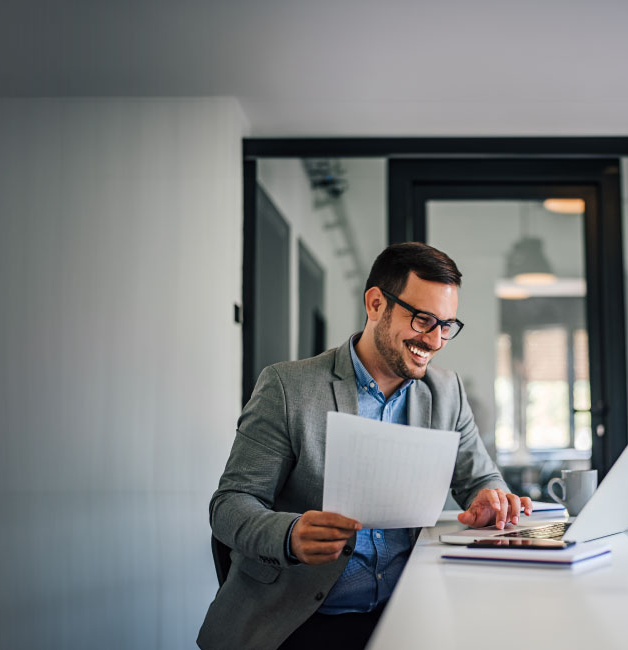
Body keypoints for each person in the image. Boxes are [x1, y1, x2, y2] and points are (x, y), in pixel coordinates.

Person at [198, 242, 531, 650]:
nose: (437, 340)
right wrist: (289, 534)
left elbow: (479, 475)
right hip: (299, 619)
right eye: (424, 320)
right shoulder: (287, 387)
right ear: (376, 304)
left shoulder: (447, 391)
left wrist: (488, 497)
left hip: (404, 611)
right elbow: (230, 504)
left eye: (447, 325)